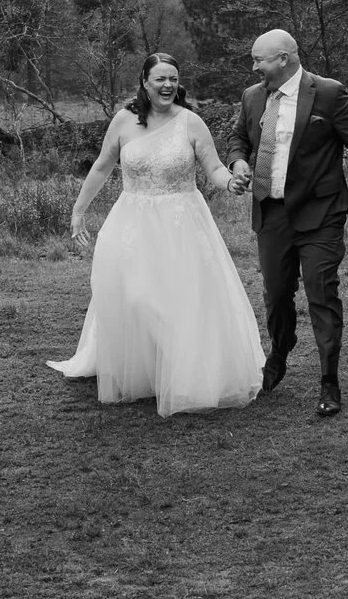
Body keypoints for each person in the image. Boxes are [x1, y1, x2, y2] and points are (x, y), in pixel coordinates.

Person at [48, 53, 265, 416]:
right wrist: (79, 210)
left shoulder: (191, 123)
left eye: (173, 79)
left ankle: (181, 370)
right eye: (160, 79)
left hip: (181, 222)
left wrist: (231, 183)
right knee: (135, 296)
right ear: (145, 82)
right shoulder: (124, 120)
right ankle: (144, 370)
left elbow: (213, 167)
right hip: (133, 221)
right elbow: (102, 166)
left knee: (178, 298)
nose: (167, 85)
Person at [218, 28, 348, 418]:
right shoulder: (253, 97)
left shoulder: (328, 93)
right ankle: (279, 353)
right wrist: (238, 162)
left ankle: (329, 381)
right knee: (276, 294)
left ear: (283, 59)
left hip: (321, 212)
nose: (254, 67)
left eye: (259, 60)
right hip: (271, 213)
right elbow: (238, 138)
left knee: (321, 291)